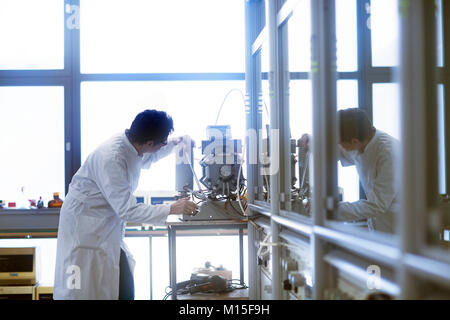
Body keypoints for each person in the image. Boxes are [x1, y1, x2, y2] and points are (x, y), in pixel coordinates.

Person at [54, 109, 198, 300]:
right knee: (80, 290)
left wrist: (175, 143)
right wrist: (172, 208)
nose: (163, 145)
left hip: (104, 228)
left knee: (119, 283)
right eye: (162, 142)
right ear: (149, 142)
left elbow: (149, 157)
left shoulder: (131, 145)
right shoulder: (112, 157)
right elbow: (127, 209)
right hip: (83, 231)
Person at [298, 108, 400, 233]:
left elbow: (377, 205)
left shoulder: (389, 153)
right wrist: (310, 141)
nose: (339, 147)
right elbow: (332, 150)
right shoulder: (361, 141)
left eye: (340, 143)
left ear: (354, 141)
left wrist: (327, 209)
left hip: (398, 229)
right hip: (379, 226)